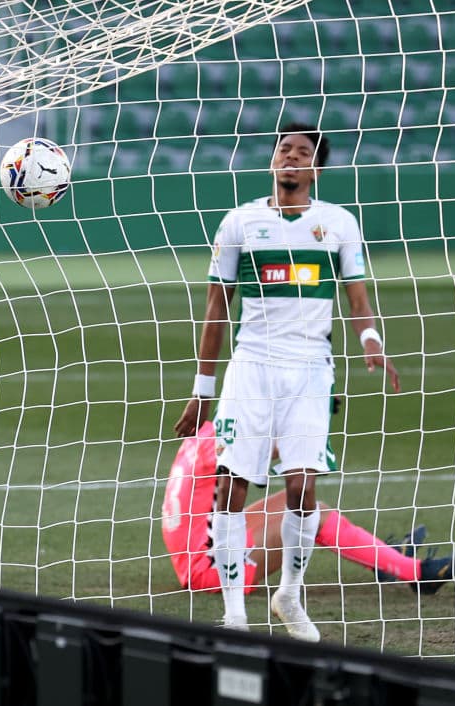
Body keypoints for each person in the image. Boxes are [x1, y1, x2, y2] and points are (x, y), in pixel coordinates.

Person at [173, 123, 402, 641]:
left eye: (302, 153)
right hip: (250, 365)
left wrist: (371, 342)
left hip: (309, 368)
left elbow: (358, 299)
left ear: (316, 169)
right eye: (284, 150)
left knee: (301, 489)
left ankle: (290, 596)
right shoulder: (240, 222)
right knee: (231, 487)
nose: (291, 159)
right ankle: (235, 614)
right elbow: (216, 308)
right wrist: (201, 389)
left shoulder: (339, 223)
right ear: (273, 162)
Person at [161, 422, 455, 610]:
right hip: (209, 567)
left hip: (198, 550)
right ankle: (419, 574)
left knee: (292, 501)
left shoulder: (207, 433)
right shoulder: (221, 440)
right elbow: (276, 449)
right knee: (312, 515)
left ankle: (388, 557)